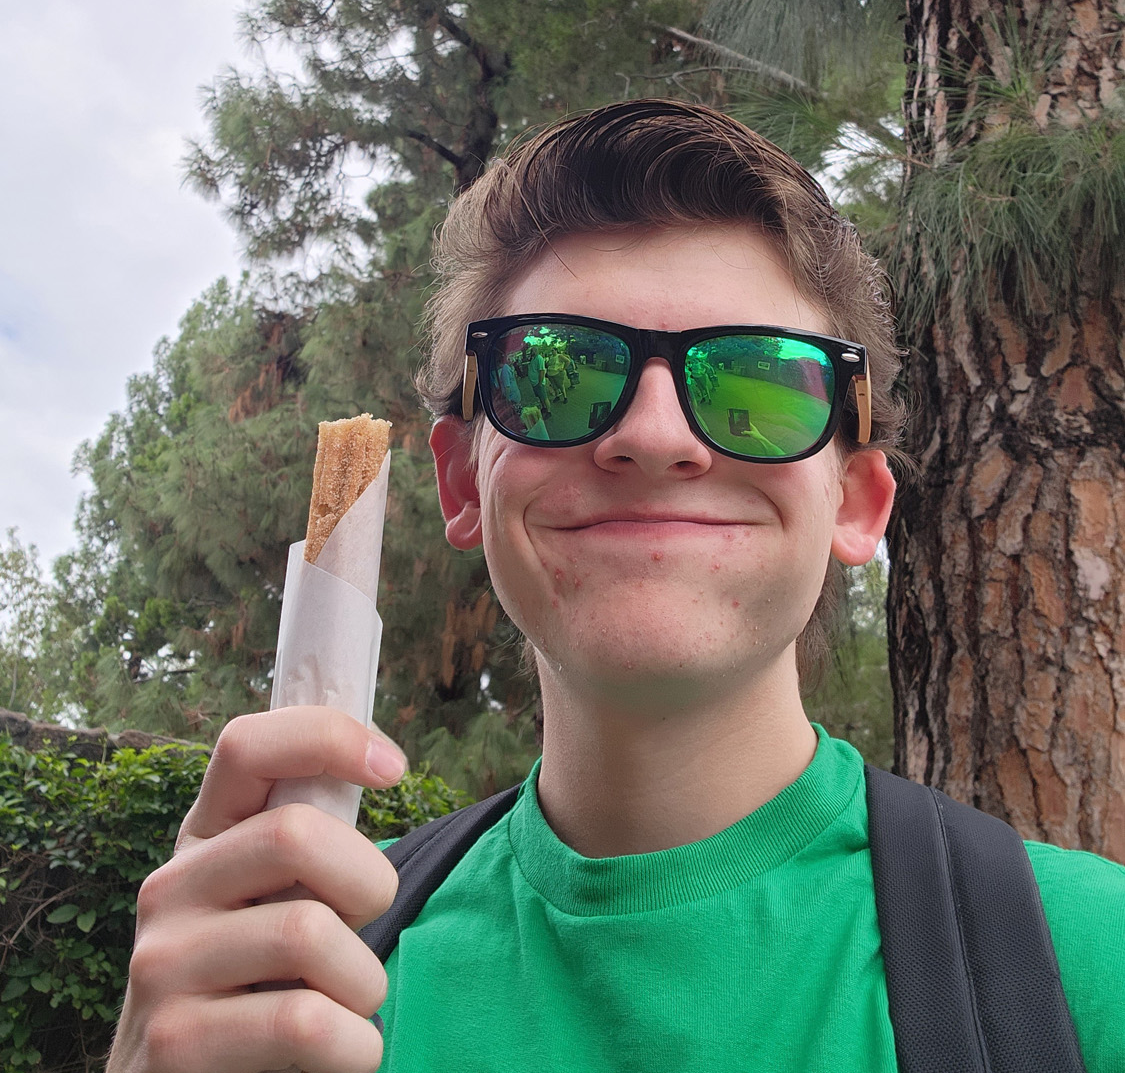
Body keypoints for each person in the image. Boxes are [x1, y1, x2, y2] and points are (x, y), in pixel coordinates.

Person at [106, 100, 1125, 1073]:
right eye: (557, 373)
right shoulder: (298, 974)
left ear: (856, 503)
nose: (652, 434)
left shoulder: (1089, 969)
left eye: (759, 382)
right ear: (463, 483)